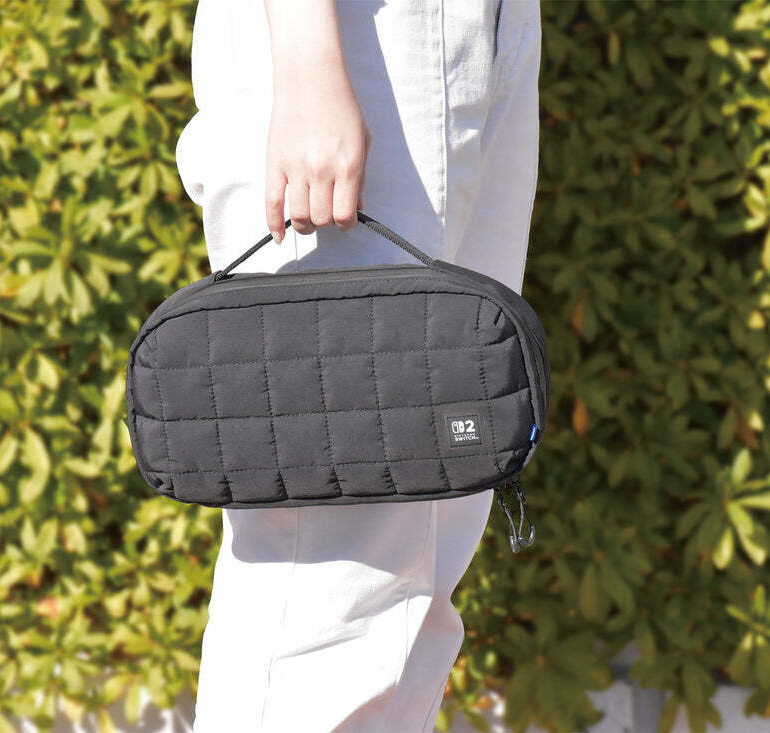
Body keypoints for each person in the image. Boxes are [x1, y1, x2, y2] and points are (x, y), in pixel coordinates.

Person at [174, 0, 542, 729]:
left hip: (483, 27)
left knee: (421, 554)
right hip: (359, 34)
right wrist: (308, 59)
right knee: (327, 562)